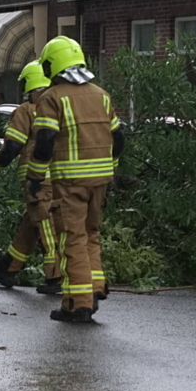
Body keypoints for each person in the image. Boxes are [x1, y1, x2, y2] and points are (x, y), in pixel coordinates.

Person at [26, 37, 124, 323]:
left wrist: (35, 177)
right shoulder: (101, 95)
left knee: (72, 239)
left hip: (70, 182)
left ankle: (77, 304)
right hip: (101, 181)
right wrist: (111, 168)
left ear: (52, 65)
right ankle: (95, 287)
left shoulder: (52, 97)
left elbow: (45, 140)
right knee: (91, 233)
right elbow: (119, 138)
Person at [0, 61, 61, 293]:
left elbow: (12, 147)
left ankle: (56, 276)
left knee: (46, 226)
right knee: (30, 225)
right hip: (62, 179)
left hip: (38, 182)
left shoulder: (27, 111)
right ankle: (7, 269)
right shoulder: (62, 107)